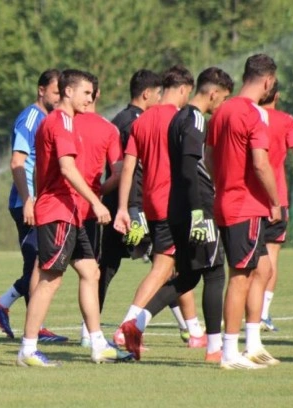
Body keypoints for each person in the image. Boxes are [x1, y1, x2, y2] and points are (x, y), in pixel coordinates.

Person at [16, 69, 132, 367]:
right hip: (60, 211)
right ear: (68, 92)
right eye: (86, 93)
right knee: (50, 279)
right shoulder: (61, 121)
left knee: (91, 272)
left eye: (91, 94)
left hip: (69, 212)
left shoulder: (59, 121)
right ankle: (28, 349)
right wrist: (96, 202)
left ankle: (97, 344)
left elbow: (42, 170)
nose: (90, 99)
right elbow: (67, 169)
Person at [119, 67, 234, 362]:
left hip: (165, 207)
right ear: (210, 93)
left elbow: (131, 167)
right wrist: (198, 211)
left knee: (188, 275)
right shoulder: (191, 118)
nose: (221, 105)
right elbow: (189, 167)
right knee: (212, 271)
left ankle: (138, 324)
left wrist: (128, 207)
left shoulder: (159, 119)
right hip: (192, 205)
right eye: (223, 99)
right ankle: (213, 347)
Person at [99, 70, 193, 342]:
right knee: (159, 266)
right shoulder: (168, 119)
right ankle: (125, 328)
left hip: (139, 207)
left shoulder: (132, 120)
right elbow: (127, 170)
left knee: (163, 265)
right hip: (151, 209)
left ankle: (189, 327)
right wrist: (131, 209)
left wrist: (125, 208)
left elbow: (126, 168)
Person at [205, 53, 282, 370]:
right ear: (268, 81)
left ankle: (253, 343)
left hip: (227, 201)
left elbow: (208, 156)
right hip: (245, 206)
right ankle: (229, 352)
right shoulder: (254, 114)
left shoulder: (222, 110)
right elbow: (261, 163)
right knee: (240, 277)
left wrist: (222, 183)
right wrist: (274, 201)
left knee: (262, 269)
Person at [0, 69, 68, 342]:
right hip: (28, 203)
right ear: (41, 90)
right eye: (55, 92)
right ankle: (35, 328)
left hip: (43, 203)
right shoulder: (31, 118)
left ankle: (3, 304)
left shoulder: (51, 119)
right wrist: (29, 201)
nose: (59, 98)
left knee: (40, 263)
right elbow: (17, 162)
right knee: (38, 265)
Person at [257, 80, 293, 332]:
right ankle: (262, 314)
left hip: (246, 199)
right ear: (277, 96)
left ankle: (242, 313)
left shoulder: (248, 117)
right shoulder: (287, 121)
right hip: (276, 200)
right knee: (271, 256)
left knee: (243, 259)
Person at [73, 75, 123, 349]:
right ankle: (87, 334)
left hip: (58, 210)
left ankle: (29, 339)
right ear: (97, 94)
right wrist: (98, 193)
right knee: (90, 274)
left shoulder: (62, 123)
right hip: (89, 213)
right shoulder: (108, 128)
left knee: (45, 273)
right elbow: (119, 172)